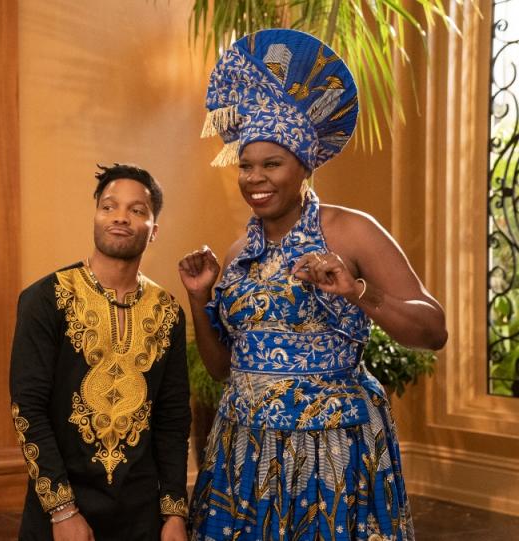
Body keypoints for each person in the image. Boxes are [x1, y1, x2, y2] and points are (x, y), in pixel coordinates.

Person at [179, 29, 447, 541]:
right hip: (244, 452)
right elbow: (221, 369)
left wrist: (358, 292)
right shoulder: (237, 254)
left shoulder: (352, 230)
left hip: (335, 452)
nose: (255, 178)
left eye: (272, 163)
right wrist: (199, 299)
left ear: (304, 164)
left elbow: (433, 330)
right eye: (246, 165)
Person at [10, 164, 191, 541]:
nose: (120, 217)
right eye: (109, 206)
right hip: (62, 508)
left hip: (140, 516)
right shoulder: (46, 299)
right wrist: (62, 511)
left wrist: (174, 511)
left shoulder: (168, 312)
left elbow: (173, 419)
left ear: (153, 230)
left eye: (136, 210)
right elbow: (28, 407)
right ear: (95, 216)